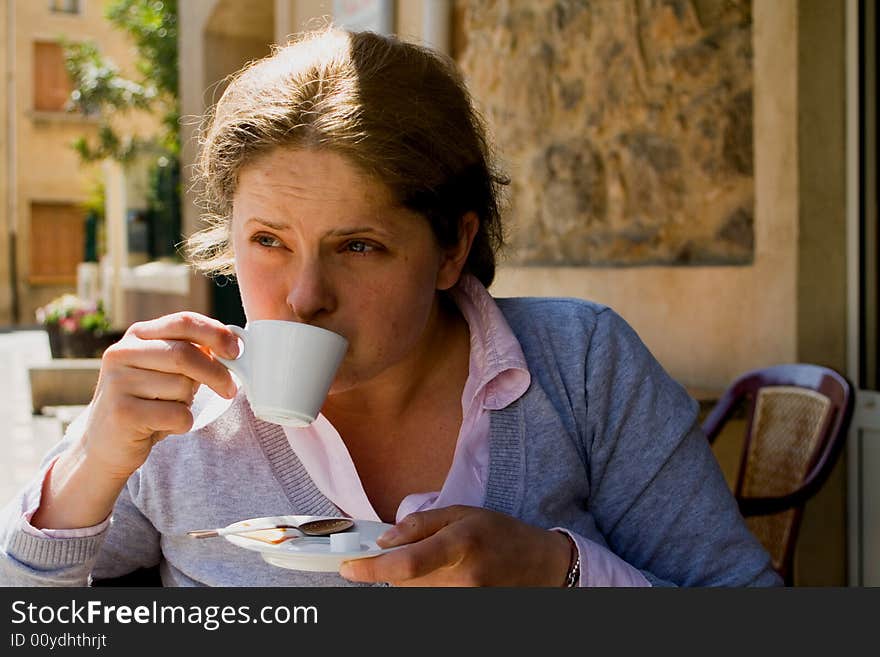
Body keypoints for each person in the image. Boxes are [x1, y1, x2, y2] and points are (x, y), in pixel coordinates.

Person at [0, 28, 780, 587]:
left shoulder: (580, 366)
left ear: (450, 247)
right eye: (268, 240)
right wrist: (91, 466)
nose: (304, 296)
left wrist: (560, 575)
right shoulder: (177, 417)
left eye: (359, 245)